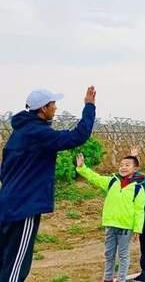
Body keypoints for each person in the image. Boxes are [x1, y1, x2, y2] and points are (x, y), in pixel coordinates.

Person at [0, 86, 96, 282]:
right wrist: (89, 106)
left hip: (8, 204)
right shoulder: (39, 133)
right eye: (53, 104)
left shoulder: (19, 134)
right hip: (23, 208)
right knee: (16, 265)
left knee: (5, 259)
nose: (55, 108)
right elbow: (78, 136)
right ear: (43, 108)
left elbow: (4, 172)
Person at [75, 152, 145, 282]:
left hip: (125, 227)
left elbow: (139, 210)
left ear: (135, 169)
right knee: (109, 254)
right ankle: (108, 278)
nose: (123, 167)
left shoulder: (138, 188)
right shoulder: (112, 181)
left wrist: (137, 229)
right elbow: (95, 178)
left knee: (123, 255)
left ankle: (121, 279)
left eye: (127, 165)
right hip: (110, 224)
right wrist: (82, 168)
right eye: (121, 165)